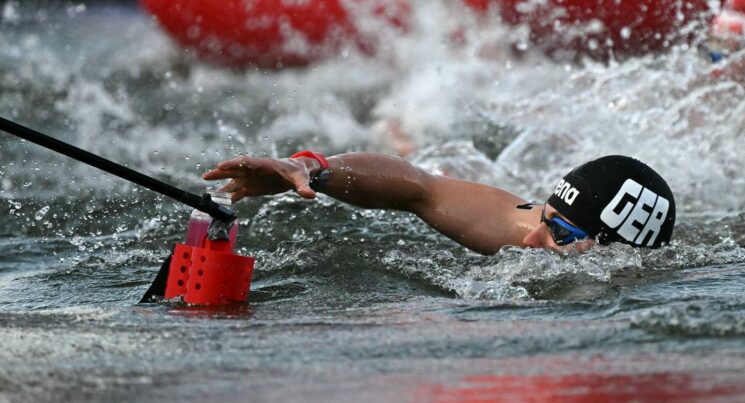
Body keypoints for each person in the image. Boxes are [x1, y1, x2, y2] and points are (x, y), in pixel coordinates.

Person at [202, 152, 676, 256]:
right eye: (544, 217)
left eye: (562, 234)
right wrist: (310, 170)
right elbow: (420, 187)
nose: (531, 236)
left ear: (618, 252)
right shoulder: (524, 230)